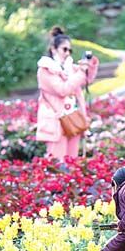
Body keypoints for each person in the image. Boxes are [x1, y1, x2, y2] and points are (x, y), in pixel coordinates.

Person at [36, 26, 99, 159]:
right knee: (57, 164)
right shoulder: (45, 70)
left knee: (72, 162)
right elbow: (63, 90)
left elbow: (87, 79)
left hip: (73, 120)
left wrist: (89, 65)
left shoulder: (69, 68)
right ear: (53, 49)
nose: (68, 53)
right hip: (56, 122)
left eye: (70, 50)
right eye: (64, 49)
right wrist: (81, 72)